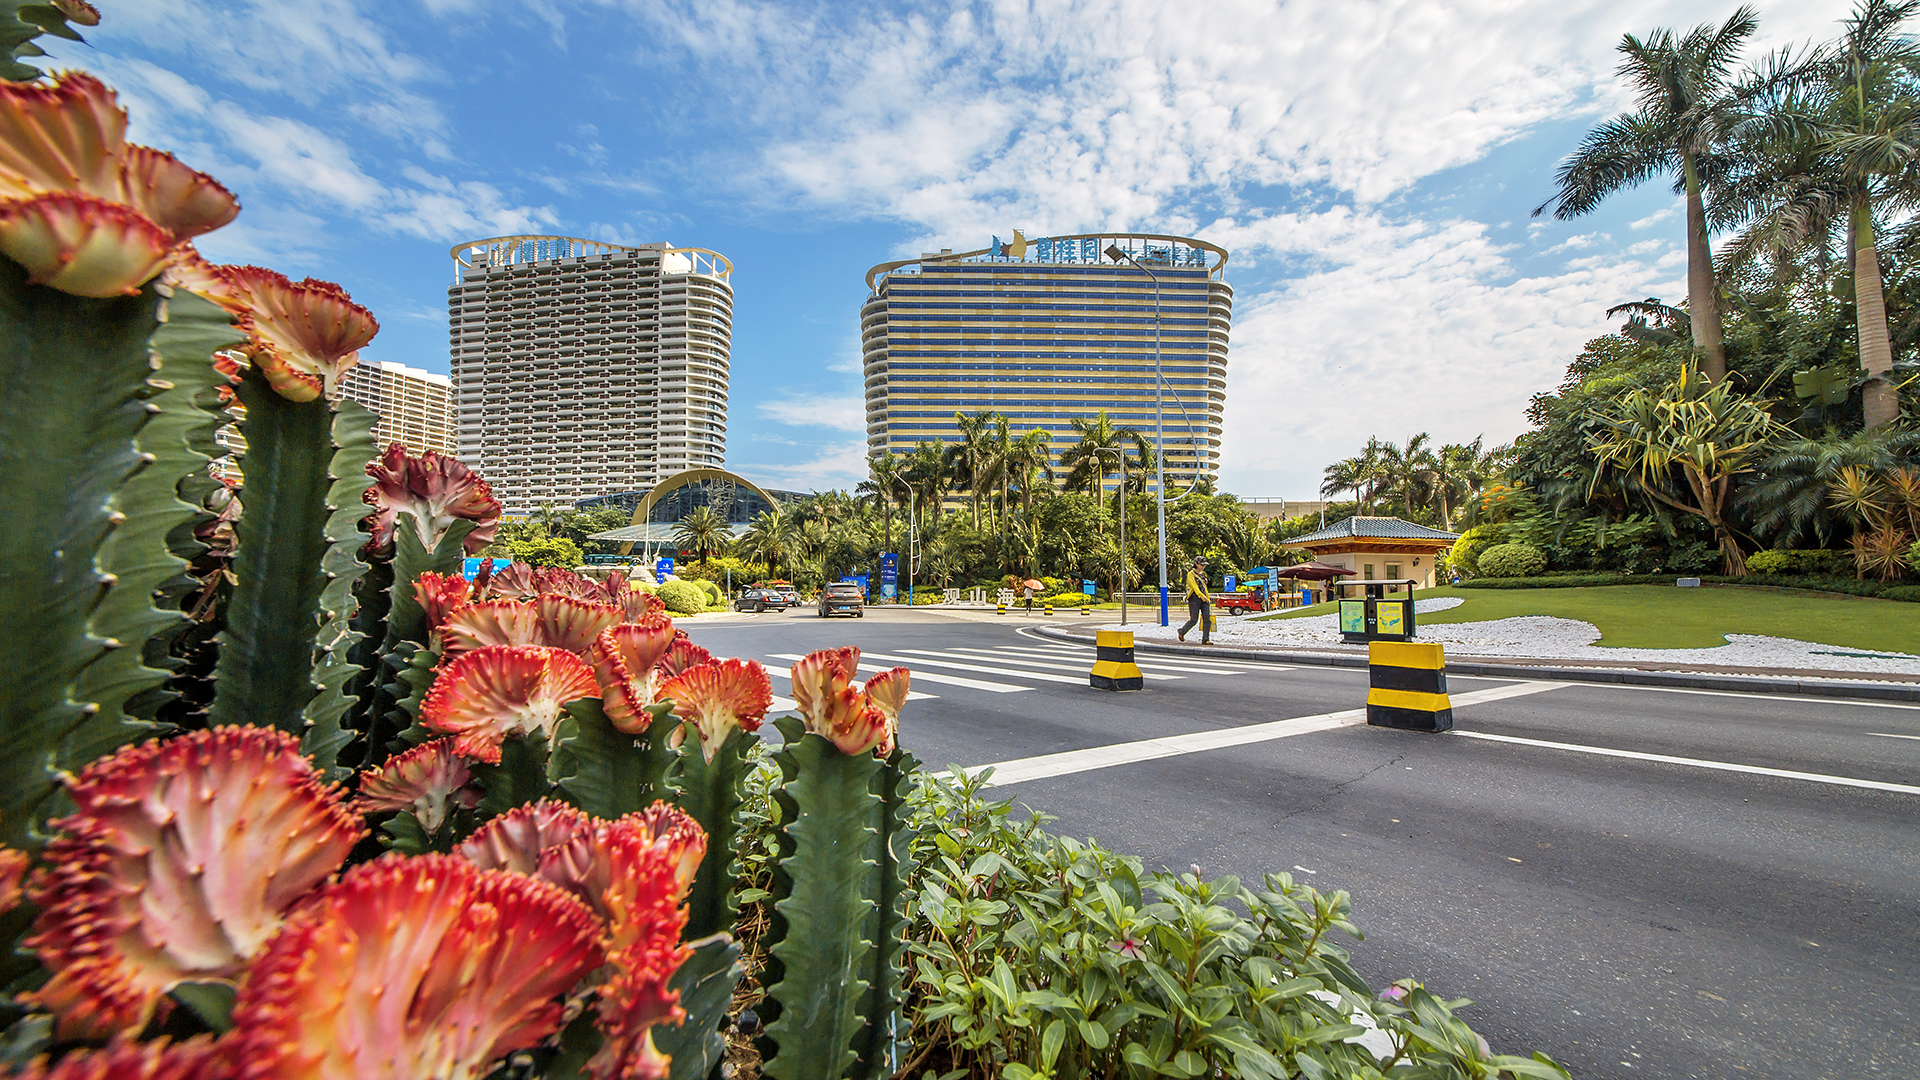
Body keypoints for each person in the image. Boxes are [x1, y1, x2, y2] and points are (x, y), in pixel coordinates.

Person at [1177, 556, 1211, 644]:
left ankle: (1206, 639)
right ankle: (1182, 631)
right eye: (1201, 564)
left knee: (1207, 619)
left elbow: (1205, 587)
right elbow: (1194, 586)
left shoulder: (1203, 574)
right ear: (1196, 564)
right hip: (1194, 598)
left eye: (1204, 565)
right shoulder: (1190, 574)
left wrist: (1207, 597)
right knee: (1194, 619)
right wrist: (1201, 595)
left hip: (1204, 598)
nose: (1203, 566)